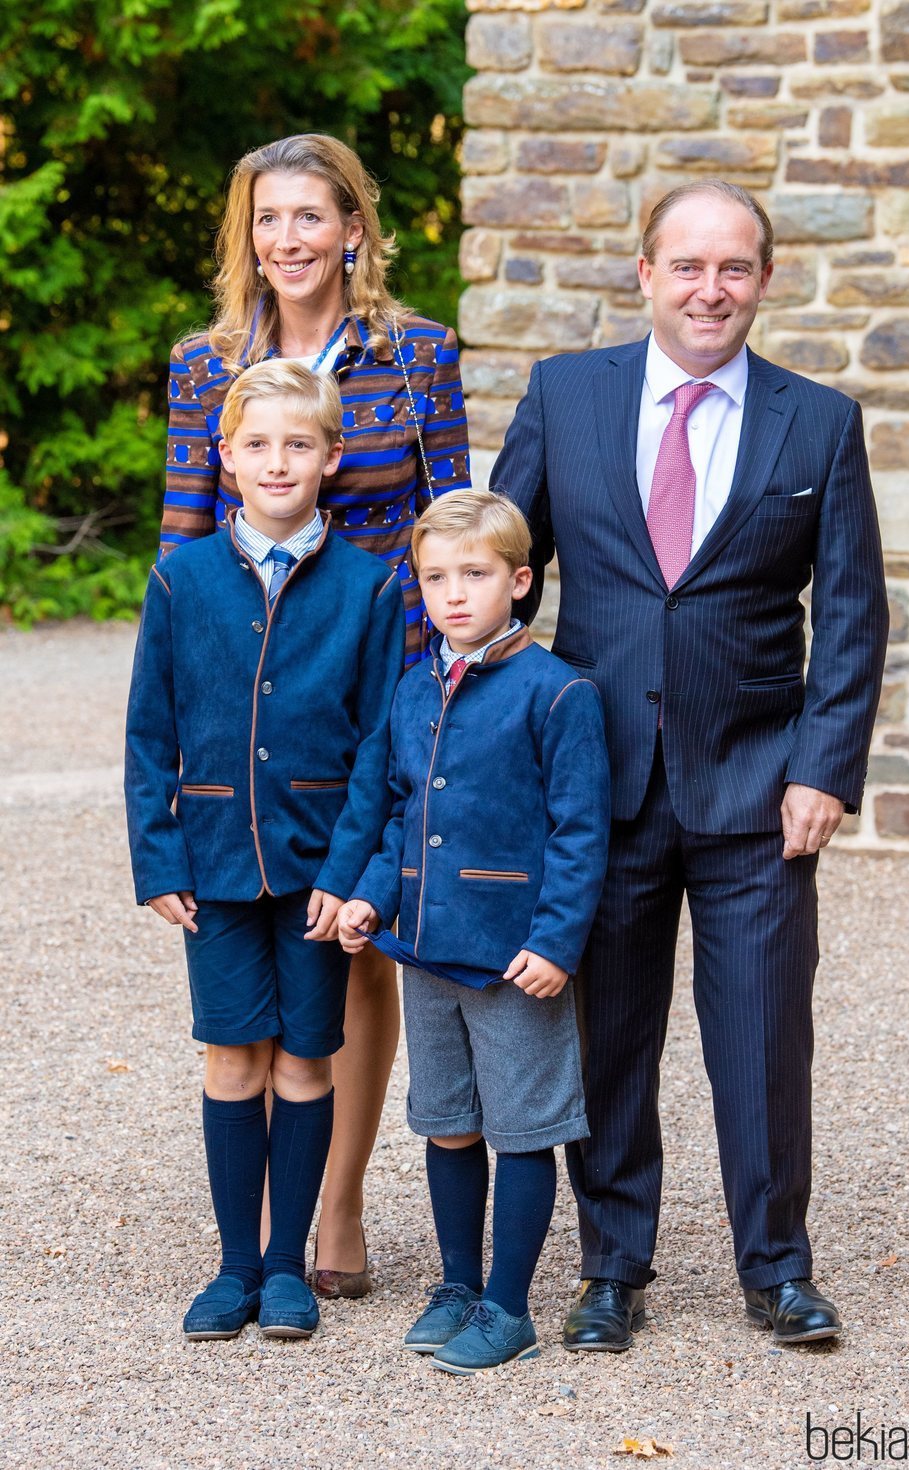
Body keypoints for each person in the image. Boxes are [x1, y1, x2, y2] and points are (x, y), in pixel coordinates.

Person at [490, 180, 889, 1351]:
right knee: (607, 1033)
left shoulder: (817, 422)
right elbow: (497, 573)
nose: (708, 289)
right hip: (593, 786)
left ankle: (777, 1270)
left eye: (732, 268)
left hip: (759, 788)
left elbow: (853, 612)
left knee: (762, 1039)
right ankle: (611, 1268)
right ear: (644, 274)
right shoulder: (565, 396)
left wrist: (824, 767)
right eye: (686, 266)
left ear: (763, 281)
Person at [159, 133, 471, 1295]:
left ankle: (334, 1202)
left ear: (353, 230)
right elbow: (184, 536)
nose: (288, 240)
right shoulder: (204, 366)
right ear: (247, 234)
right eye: (267, 219)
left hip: (384, 681)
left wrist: (457, 687)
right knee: (261, 938)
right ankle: (267, 1231)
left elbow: (452, 527)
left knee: (357, 942)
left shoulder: (417, 355)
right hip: (252, 703)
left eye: (310, 218)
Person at [125, 360, 405, 1340]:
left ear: (331, 457)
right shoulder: (180, 578)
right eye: (258, 445)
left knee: (303, 1061)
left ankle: (288, 1267)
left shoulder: (370, 588)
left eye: (298, 444)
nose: (277, 462)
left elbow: (381, 742)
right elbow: (146, 732)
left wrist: (354, 873)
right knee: (231, 1056)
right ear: (225, 458)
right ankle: (234, 1265)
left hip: (319, 871)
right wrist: (158, 859)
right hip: (212, 864)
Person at [337, 490, 611, 1374]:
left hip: (513, 957)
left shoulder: (559, 692)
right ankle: (457, 1283)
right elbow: (398, 814)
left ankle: (509, 1305)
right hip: (426, 948)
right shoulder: (415, 688)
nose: (454, 594)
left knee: (522, 1128)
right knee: (447, 1121)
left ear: (519, 581)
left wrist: (556, 944)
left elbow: (580, 833)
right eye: (436, 578)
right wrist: (370, 899)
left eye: (476, 575)